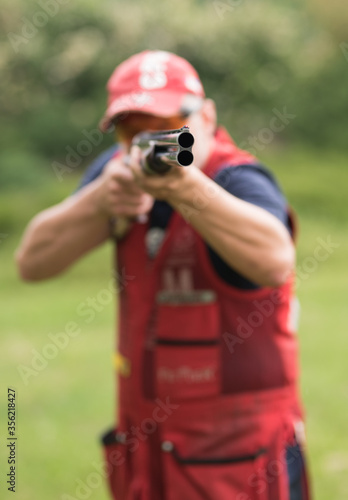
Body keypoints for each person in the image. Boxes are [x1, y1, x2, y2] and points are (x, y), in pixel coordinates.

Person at [16, 50, 311, 500]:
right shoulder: (118, 175)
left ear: (207, 116)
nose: (152, 141)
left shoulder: (238, 178)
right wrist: (98, 201)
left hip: (239, 458)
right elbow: (32, 264)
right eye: (133, 129)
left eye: (170, 124)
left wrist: (187, 189)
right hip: (148, 447)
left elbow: (275, 260)